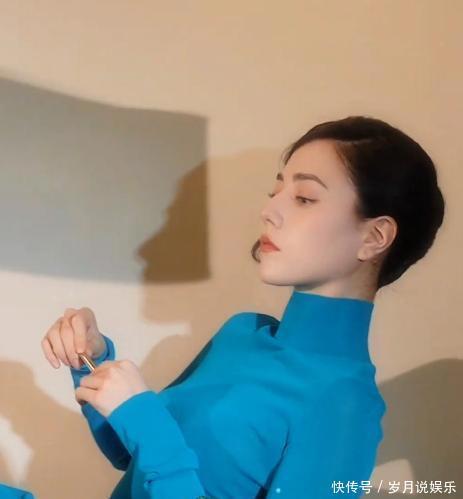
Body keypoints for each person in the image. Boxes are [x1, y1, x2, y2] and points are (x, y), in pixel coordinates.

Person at [40, 115, 445, 498]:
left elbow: (156, 446)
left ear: (374, 237)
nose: (269, 211)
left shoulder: (345, 403)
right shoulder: (241, 332)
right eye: (275, 193)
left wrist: (145, 422)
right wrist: (90, 359)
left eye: (304, 198)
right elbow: (135, 458)